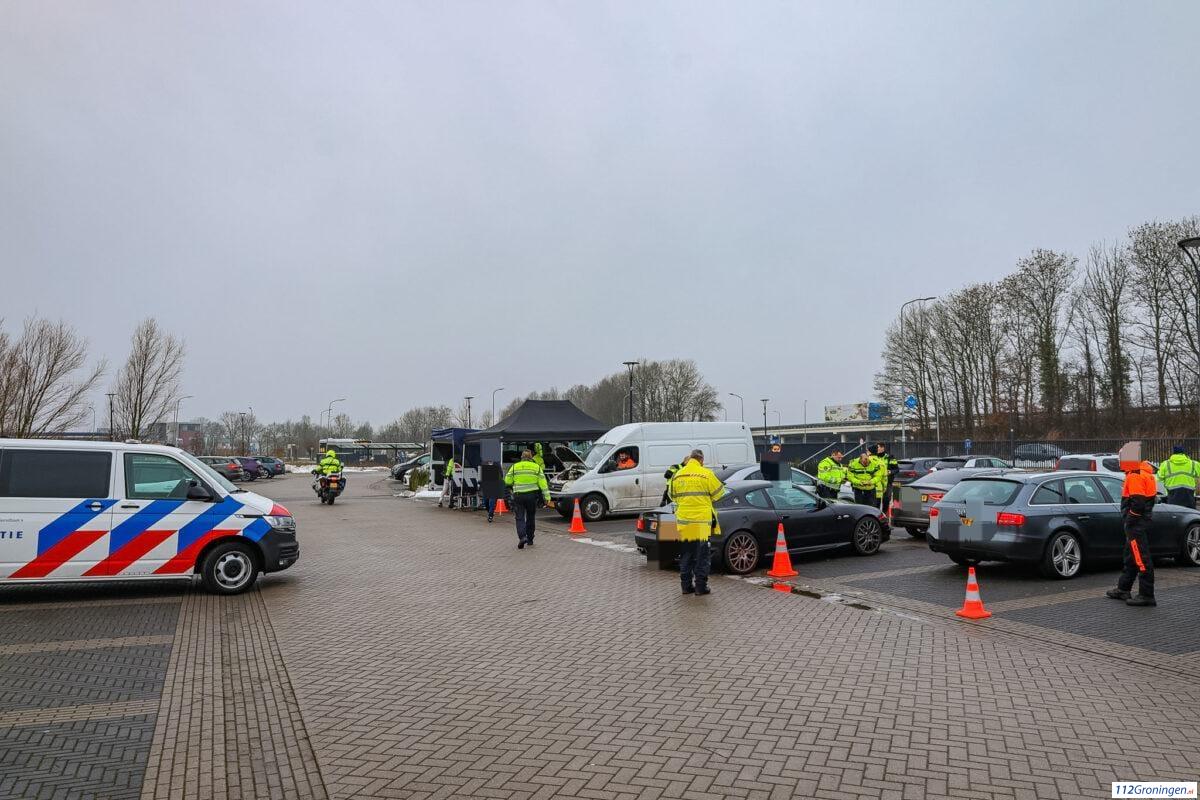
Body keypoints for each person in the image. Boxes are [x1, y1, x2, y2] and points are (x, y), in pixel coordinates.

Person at [668, 449, 726, 596]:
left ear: (690, 459)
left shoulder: (678, 474)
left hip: (684, 522)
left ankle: (686, 586)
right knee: (702, 555)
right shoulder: (706, 474)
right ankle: (701, 587)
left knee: (686, 554)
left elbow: (672, 496)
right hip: (701, 522)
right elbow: (720, 493)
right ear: (701, 460)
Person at [1107, 459, 1158, 607]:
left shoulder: (1135, 475)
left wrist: (1130, 520)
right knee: (1131, 556)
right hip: (1139, 522)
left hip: (1136, 524)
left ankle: (1146, 594)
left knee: (1141, 558)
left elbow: (1138, 504)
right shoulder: (1145, 473)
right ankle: (1124, 588)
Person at [505, 449, 550, 549]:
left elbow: (507, 481)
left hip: (518, 496)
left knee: (519, 517)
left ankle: (522, 537)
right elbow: (543, 484)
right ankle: (530, 539)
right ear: (531, 457)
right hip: (532, 496)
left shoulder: (514, 467)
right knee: (530, 517)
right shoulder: (536, 467)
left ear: (521, 457)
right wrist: (547, 497)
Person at [873, 442, 898, 514]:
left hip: (887, 482)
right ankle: (875, 514)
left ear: (883, 448)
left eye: (878, 447)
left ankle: (884, 515)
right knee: (876, 500)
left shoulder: (890, 457)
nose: (877, 449)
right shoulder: (874, 457)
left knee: (886, 500)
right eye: (876, 447)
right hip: (877, 482)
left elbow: (896, 469)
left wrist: (890, 472)